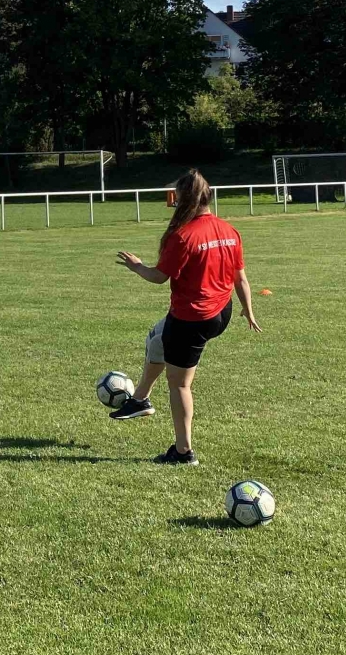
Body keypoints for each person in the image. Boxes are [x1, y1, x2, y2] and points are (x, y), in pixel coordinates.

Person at [110, 168, 261, 465]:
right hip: (222, 311)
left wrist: (137, 266)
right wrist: (248, 310)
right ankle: (139, 399)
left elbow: (158, 277)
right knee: (157, 339)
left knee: (180, 384)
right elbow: (240, 278)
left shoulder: (183, 236)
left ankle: (183, 452)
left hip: (192, 319)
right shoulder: (229, 230)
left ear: (183, 200)